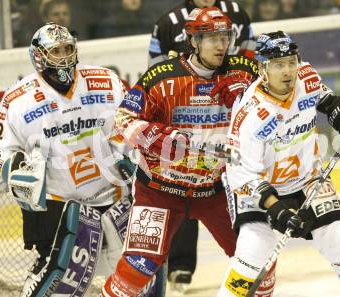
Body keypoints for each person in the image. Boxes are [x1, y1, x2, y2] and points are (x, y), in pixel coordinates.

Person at [100, 7, 277, 297]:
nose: (221, 45)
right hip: (160, 189)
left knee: (261, 265)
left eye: (225, 37)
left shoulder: (244, 75)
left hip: (219, 191)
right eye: (212, 39)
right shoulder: (161, 77)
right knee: (137, 267)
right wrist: (161, 139)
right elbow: (123, 120)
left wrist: (254, 104)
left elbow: (283, 100)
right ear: (193, 41)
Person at [0, 23, 147, 297]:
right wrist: (18, 173)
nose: (63, 56)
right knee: (57, 285)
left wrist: (130, 150)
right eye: (55, 51)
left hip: (113, 198)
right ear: (39, 55)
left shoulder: (107, 80)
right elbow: (0, 150)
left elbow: (131, 123)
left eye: (67, 49)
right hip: (59, 207)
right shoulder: (16, 99)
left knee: (137, 279)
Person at [217, 31, 340, 297]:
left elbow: (325, 98)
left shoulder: (306, 76)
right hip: (260, 192)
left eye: (291, 61)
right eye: (278, 64)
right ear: (262, 69)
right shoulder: (250, 114)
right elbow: (240, 173)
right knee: (249, 264)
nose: (288, 71)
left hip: (307, 181)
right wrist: (275, 208)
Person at [147, 1, 255, 291]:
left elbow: (251, 59)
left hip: (226, 116)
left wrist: (241, 89)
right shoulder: (168, 20)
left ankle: (250, 261)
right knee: (183, 182)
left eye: (224, 38)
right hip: (185, 113)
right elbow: (156, 72)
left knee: (231, 196)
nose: (220, 43)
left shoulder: (236, 11)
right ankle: (180, 265)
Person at [148, 0, 255, 66]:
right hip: (186, 89)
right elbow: (155, 68)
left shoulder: (237, 13)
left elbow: (251, 53)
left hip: (232, 86)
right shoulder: (168, 22)